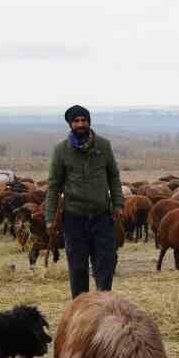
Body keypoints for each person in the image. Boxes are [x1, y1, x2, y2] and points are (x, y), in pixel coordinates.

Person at [45, 105, 122, 297]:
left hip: (102, 217)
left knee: (105, 265)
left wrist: (119, 204)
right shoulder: (61, 150)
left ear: (89, 122)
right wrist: (49, 218)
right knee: (78, 268)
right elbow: (54, 186)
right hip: (74, 217)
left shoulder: (103, 146)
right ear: (70, 124)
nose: (81, 124)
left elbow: (113, 176)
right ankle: (80, 310)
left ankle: (103, 307)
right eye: (76, 121)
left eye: (84, 120)